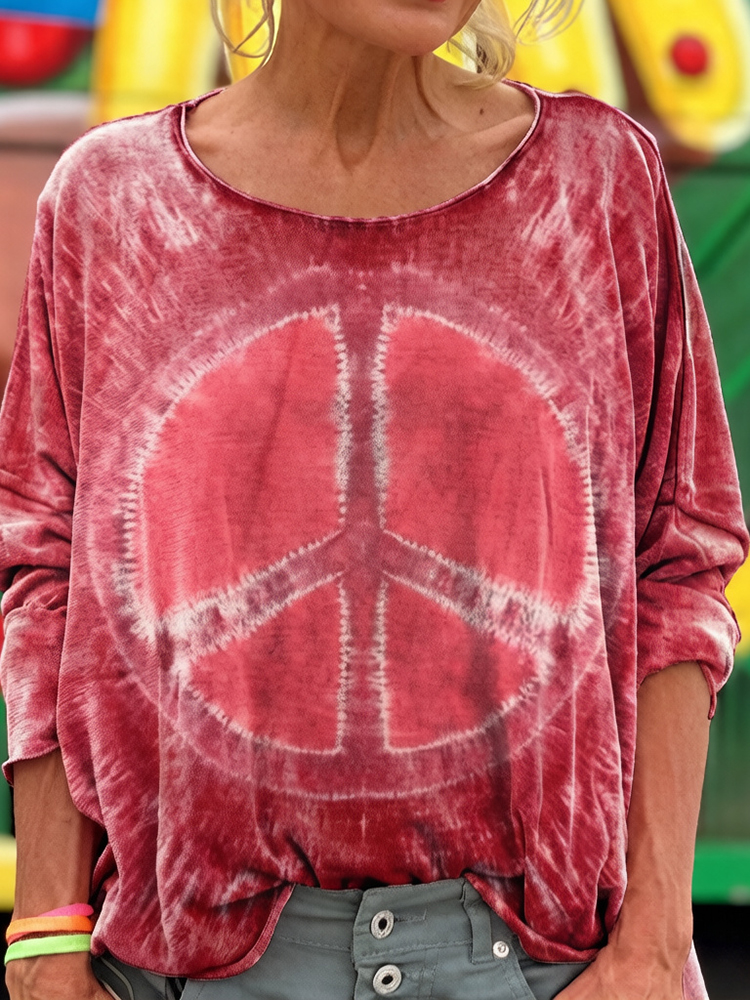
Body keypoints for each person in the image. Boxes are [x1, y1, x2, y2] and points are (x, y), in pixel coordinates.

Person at [0, 1, 747, 998]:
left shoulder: (597, 182)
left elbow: (679, 556)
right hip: (186, 966)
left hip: (539, 966)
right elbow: (45, 568)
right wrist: (44, 932)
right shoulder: (112, 199)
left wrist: (654, 942)